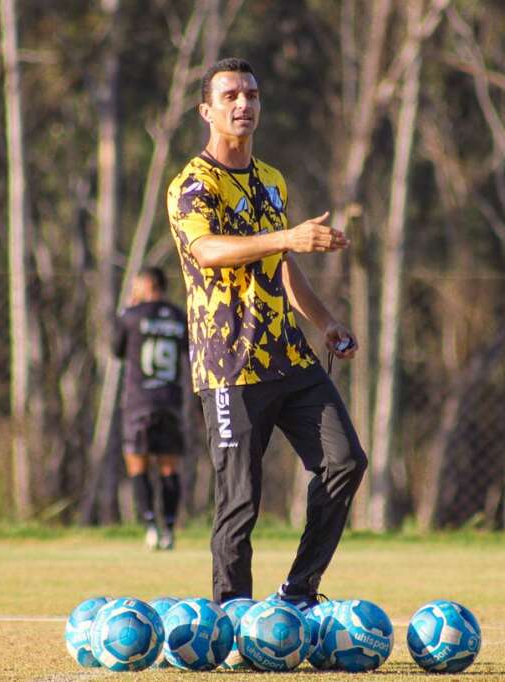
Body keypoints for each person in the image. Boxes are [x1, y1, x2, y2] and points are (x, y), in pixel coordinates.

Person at [166, 57, 367, 607]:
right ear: (206, 110)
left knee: (345, 461)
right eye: (230, 95)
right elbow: (206, 251)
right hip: (230, 366)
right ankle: (231, 618)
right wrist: (286, 237)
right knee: (240, 501)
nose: (243, 104)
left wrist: (325, 323)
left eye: (251, 95)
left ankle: (297, 595)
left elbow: (282, 262)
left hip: (289, 358)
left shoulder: (271, 181)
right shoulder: (192, 184)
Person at [112, 266, 189, 550]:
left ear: (147, 285)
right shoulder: (179, 317)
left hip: (139, 400)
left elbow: (116, 349)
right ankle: (169, 527)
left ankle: (150, 526)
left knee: (137, 462)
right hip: (170, 398)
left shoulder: (131, 316)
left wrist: (128, 311)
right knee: (169, 466)